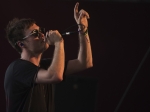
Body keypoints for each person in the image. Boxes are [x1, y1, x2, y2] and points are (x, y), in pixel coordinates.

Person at [4, 2, 93, 112]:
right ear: (21, 44)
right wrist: (59, 42)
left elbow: (85, 62)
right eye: (35, 33)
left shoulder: (45, 65)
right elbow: (55, 76)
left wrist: (83, 29)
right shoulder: (17, 68)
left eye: (41, 30)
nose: (42, 34)